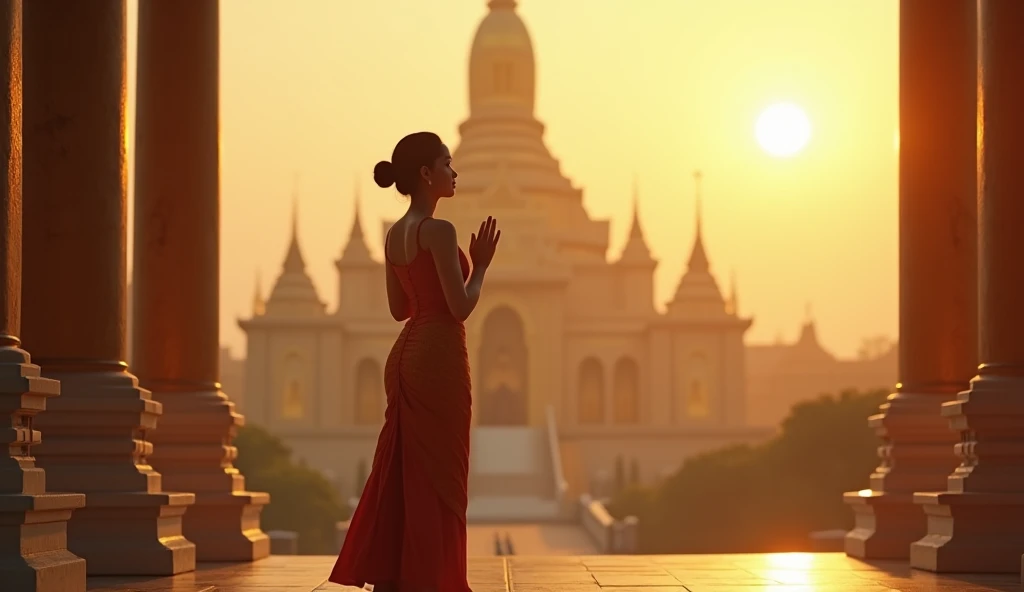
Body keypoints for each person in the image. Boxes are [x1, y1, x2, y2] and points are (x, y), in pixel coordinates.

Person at [329, 131, 500, 591]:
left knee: (407, 470)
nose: (454, 172)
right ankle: (436, 578)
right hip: (439, 356)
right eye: (447, 164)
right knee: (442, 473)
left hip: (405, 355)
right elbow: (460, 307)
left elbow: (398, 309)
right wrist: (480, 265)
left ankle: (403, 576)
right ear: (426, 174)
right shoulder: (438, 232)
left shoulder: (394, 236)